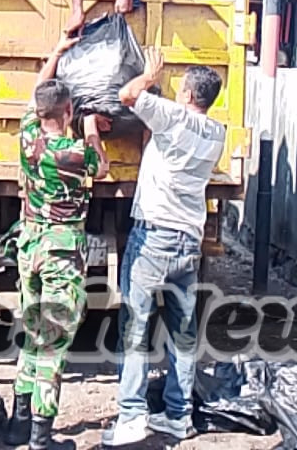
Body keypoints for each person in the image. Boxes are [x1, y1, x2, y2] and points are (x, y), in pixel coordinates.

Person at [102, 49, 226, 446]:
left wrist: (150, 75)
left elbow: (126, 95)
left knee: (136, 326)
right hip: (189, 240)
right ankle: (178, 415)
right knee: (182, 332)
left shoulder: (173, 118)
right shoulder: (217, 132)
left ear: (188, 94)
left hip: (155, 237)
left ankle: (132, 415)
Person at [3, 34, 109, 450]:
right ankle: (41, 439)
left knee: (32, 334)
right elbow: (100, 168)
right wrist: (91, 131)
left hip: (29, 247)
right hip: (61, 255)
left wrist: (55, 55)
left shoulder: (27, 137)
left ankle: (18, 422)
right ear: (68, 111)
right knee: (52, 343)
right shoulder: (73, 152)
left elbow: (35, 99)